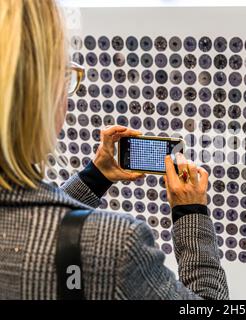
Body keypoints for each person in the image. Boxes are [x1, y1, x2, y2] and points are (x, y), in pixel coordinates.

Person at [0, 0, 228, 300]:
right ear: (41, 90)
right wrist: (191, 212)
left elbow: (35, 225)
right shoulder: (116, 246)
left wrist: (96, 176)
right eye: (66, 76)